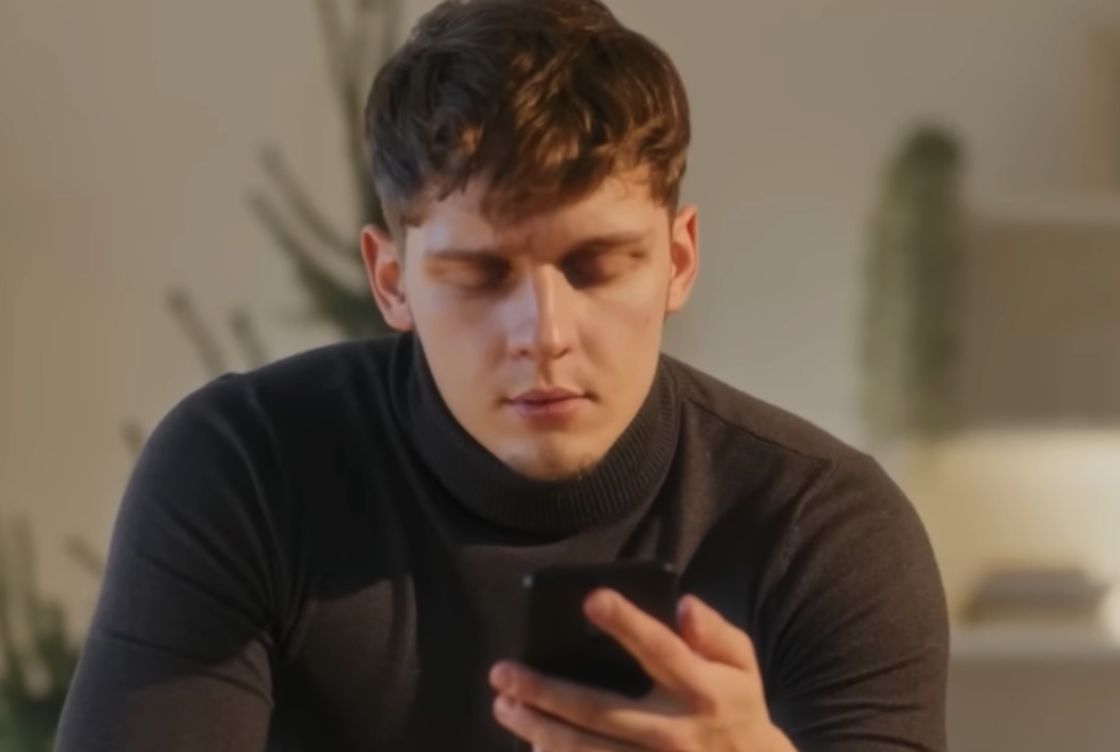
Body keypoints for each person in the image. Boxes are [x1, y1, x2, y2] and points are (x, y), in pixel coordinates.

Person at [55, 0, 949, 750]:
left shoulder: (826, 529)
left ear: (678, 261)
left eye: (597, 267)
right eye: (480, 276)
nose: (546, 336)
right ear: (391, 281)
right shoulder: (245, 470)